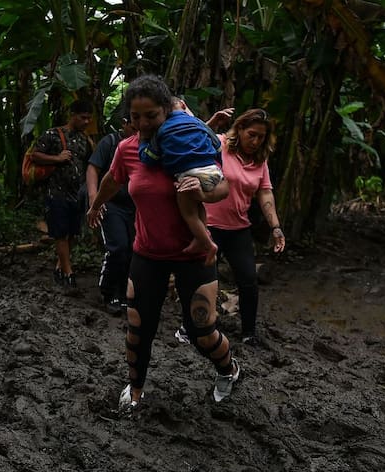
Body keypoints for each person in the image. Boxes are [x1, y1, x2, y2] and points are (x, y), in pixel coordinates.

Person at [86, 76, 240, 407]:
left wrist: (199, 190)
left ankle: (228, 371)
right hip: (148, 254)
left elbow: (223, 187)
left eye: (151, 116)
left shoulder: (189, 140)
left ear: (166, 111)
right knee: (138, 330)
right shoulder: (127, 150)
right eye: (136, 117)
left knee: (202, 331)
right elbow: (114, 180)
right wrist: (96, 205)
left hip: (193, 254)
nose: (143, 124)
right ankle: (136, 389)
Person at [205, 108, 286, 346]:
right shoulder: (219, 144)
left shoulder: (260, 161)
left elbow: (265, 193)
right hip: (209, 225)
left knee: (249, 279)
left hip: (238, 228)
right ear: (239, 129)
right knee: (205, 280)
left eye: (261, 137)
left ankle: (249, 332)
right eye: (251, 134)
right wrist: (211, 121)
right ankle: (195, 327)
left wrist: (276, 227)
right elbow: (192, 138)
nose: (255, 141)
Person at [137, 83, 223, 266]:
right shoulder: (199, 123)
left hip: (189, 174)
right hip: (213, 172)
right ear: (184, 106)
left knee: (189, 213)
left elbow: (149, 158)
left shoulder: (162, 130)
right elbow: (217, 144)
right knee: (198, 204)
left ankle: (208, 244)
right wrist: (216, 165)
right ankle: (202, 234)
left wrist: (143, 143)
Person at [31, 99, 93, 288]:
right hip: (56, 192)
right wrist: (57, 158)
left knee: (72, 232)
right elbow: (35, 155)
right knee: (60, 233)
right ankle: (69, 272)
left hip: (77, 193)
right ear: (72, 115)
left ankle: (61, 266)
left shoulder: (85, 140)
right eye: (83, 118)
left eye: (89, 118)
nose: (87, 122)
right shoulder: (53, 135)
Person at [86, 114, 137, 314]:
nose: (136, 131)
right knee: (118, 248)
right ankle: (108, 292)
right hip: (111, 204)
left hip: (135, 207)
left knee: (134, 251)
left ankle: (124, 293)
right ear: (124, 123)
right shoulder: (111, 142)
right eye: (133, 126)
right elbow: (93, 168)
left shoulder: (146, 142)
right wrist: (93, 197)